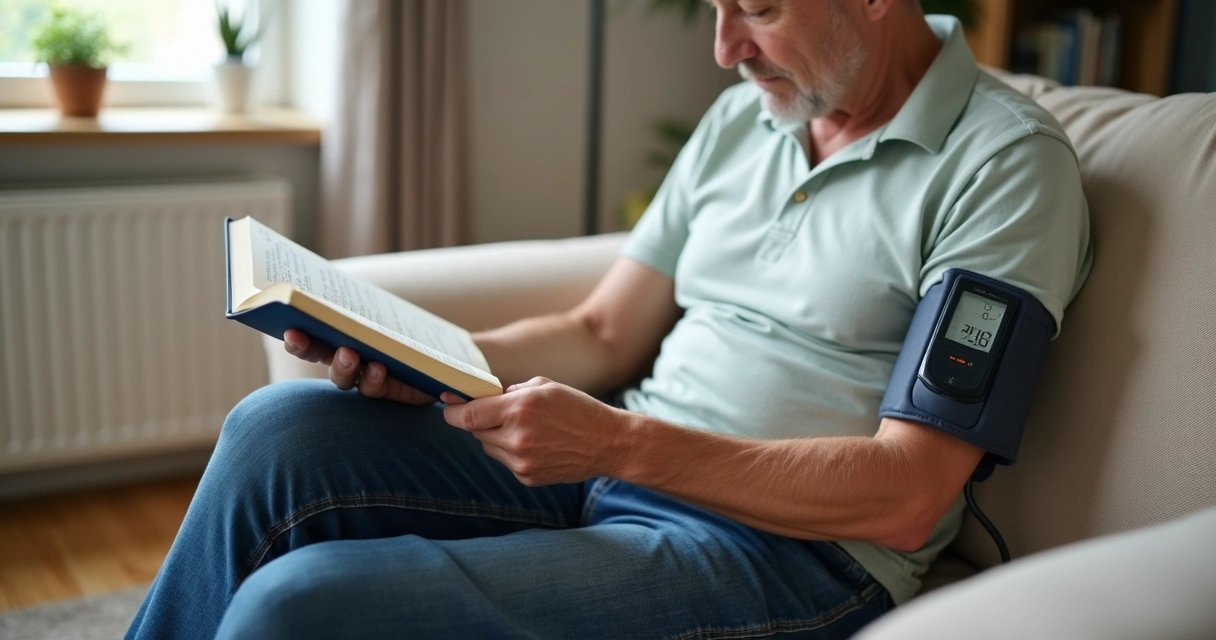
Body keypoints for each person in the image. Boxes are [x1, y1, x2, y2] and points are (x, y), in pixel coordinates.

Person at [127, 1, 1092, 638]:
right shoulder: (745, 120)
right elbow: (601, 333)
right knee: (278, 431)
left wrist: (618, 445)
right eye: (717, 9)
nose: (725, 48)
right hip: (620, 464)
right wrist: (419, 360)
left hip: (785, 555)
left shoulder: (1004, 166)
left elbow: (910, 491)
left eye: (759, 9)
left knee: (300, 609)